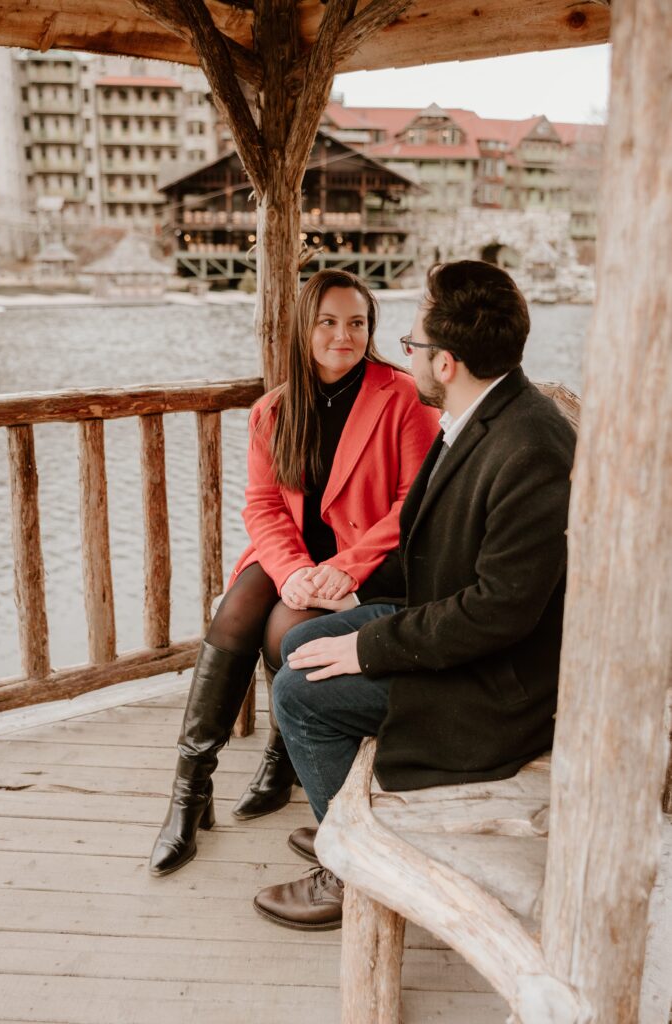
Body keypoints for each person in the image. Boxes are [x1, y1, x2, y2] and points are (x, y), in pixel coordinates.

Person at [253, 260, 577, 929]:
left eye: (413, 345)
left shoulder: (530, 446)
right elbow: (428, 544)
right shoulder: (478, 415)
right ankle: (352, 819)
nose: (407, 356)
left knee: (298, 692)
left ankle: (353, 868)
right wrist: (348, 593)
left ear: (447, 362)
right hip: (455, 627)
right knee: (303, 640)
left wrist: (370, 647)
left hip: (500, 683)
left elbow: (499, 611)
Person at [149, 269, 440, 876]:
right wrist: (290, 571)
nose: (344, 335)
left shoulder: (404, 397)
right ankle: (190, 789)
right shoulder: (273, 410)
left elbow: (414, 503)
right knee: (235, 612)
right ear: (304, 328)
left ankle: (285, 755)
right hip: (292, 556)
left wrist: (340, 568)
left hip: (369, 561)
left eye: (357, 323)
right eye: (328, 322)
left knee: (285, 631)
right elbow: (262, 505)